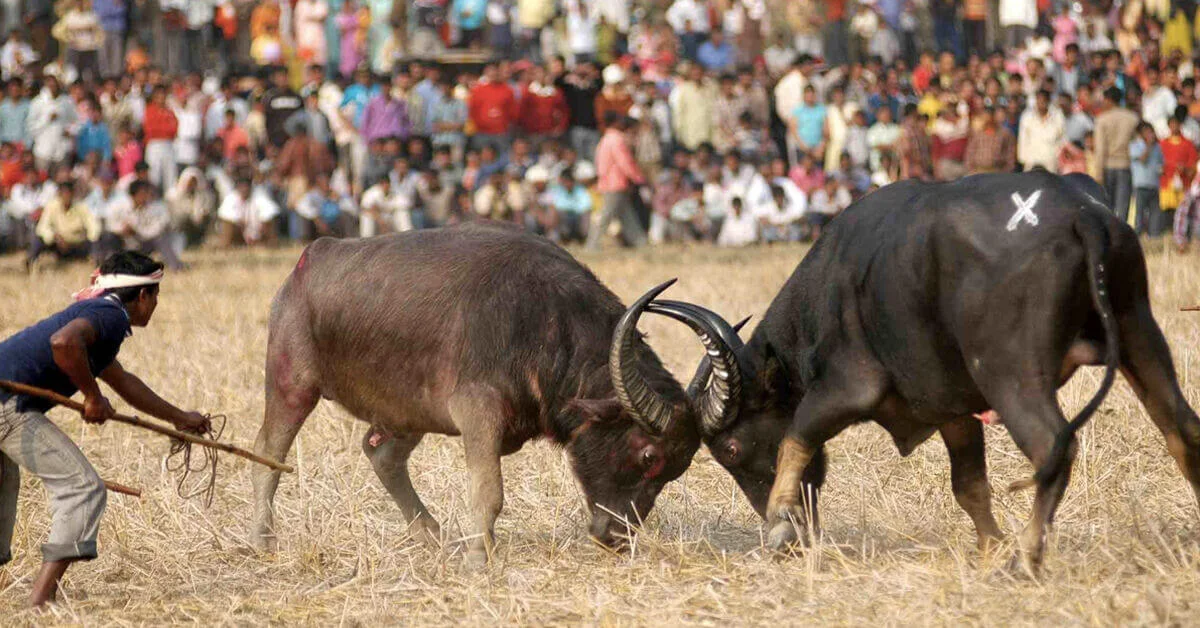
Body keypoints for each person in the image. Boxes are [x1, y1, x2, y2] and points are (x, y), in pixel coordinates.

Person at [0, 251, 210, 606]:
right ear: (142, 296)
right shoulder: (110, 315)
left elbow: (125, 382)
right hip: (8, 407)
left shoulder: (101, 319)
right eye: (156, 295)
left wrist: (178, 417)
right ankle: (41, 599)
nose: (156, 305)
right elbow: (64, 343)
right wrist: (92, 397)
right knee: (83, 488)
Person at [588, 113, 646, 250]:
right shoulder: (617, 139)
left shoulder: (605, 139)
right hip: (615, 183)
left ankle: (640, 241)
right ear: (614, 122)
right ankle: (592, 245)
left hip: (609, 182)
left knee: (626, 215)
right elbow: (625, 162)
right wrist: (638, 178)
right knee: (606, 216)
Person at [28, 180, 101, 270]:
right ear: (59, 195)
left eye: (68, 194)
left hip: (77, 245)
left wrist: (91, 239)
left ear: (73, 194)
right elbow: (42, 227)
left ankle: (96, 263)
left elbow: (93, 226)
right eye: (63, 194)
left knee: (98, 240)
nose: (66, 197)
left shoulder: (81, 207)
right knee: (38, 238)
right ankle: (31, 264)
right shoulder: (52, 206)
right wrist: (54, 236)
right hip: (59, 244)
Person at [1094, 86, 1140, 223]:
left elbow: (1100, 149)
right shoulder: (1132, 118)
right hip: (1126, 165)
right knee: (1123, 206)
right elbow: (1136, 144)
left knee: (1107, 206)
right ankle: (1122, 237)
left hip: (1108, 166)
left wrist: (1098, 174)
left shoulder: (1102, 119)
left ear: (1108, 100)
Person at [1131, 122, 1164, 237]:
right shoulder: (1135, 146)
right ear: (1141, 134)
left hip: (1154, 184)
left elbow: (1161, 164)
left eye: (1151, 131)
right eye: (1147, 132)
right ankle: (1138, 235)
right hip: (1140, 185)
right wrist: (1149, 145)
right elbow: (1143, 160)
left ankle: (1154, 236)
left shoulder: (1158, 147)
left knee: (1155, 213)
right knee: (1139, 213)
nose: (1150, 134)